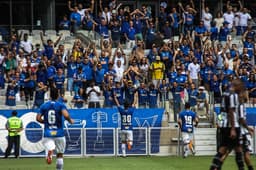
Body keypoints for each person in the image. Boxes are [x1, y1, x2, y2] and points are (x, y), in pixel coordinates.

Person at [210, 79, 245, 170]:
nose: (241, 89)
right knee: (238, 150)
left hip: (224, 124)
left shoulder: (225, 93)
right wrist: (233, 128)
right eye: (240, 87)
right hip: (232, 125)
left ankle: (213, 167)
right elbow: (231, 111)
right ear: (236, 85)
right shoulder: (233, 95)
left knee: (222, 149)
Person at [36, 87, 74, 170]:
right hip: (59, 133)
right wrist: (70, 120)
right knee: (60, 154)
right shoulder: (60, 105)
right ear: (58, 95)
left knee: (49, 146)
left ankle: (50, 151)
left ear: (50, 95)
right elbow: (66, 115)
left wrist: (46, 122)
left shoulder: (44, 105)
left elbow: (38, 118)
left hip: (48, 132)